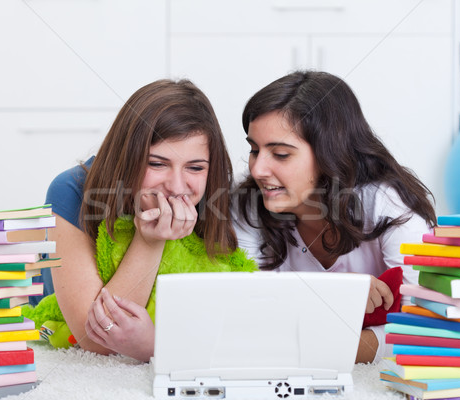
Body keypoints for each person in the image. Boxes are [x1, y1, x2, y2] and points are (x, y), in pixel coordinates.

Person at [23, 79, 255, 362]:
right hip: (44, 311)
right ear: (127, 157)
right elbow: (96, 337)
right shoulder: (73, 189)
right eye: (157, 164)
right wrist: (150, 241)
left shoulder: (211, 193)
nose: (177, 186)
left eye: (194, 167)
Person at [234, 71, 436, 364]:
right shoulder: (248, 205)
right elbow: (246, 316)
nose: (258, 170)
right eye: (254, 150)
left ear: (330, 152)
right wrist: (336, 294)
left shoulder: (388, 204)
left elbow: (431, 329)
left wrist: (318, 343)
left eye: (280, 154)